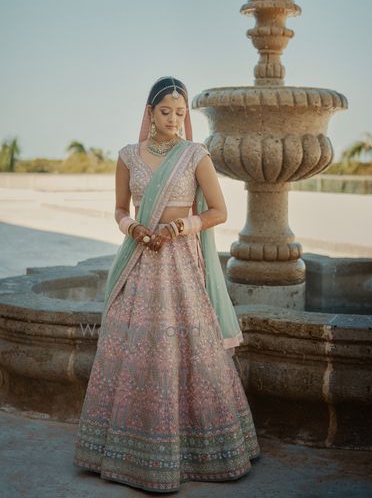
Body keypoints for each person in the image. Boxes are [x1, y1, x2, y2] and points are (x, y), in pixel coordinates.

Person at [73, 76, 260, 493]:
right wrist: (134, 228)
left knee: (191, 346)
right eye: (166, 111)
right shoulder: (127, 156)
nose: (175, 119)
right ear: (149, 113)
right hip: (140, 258)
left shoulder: (195, 155)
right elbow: (120, 209)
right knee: (132, 343)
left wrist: (177, 227)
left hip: (180, 261)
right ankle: (126, 450)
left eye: (180, 112)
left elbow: (219, 211)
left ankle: (201, 450)